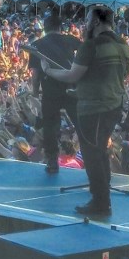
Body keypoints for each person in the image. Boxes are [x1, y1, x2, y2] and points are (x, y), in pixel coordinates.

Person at [42, 6, 129, 216]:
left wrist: (49, 71)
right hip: (114, 104)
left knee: (92, 152)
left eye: (87, 19)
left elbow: (72, 76)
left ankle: (100, 202)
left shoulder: (90, 46)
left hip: (94, 107)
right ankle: (103, 193)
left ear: (95, 22)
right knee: (100, 148)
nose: (85, 23)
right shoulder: (123, 44)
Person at [28, 15, 81, 173]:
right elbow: (86, 55)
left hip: (51, 89)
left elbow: (36, 74)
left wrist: (35, 93)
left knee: (50, 126)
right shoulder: (71, 40)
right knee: (80, 123)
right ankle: (92, 155)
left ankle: (52, 160)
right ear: (60, 27)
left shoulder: (37, 45)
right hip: (71, 86)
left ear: (45, 27)